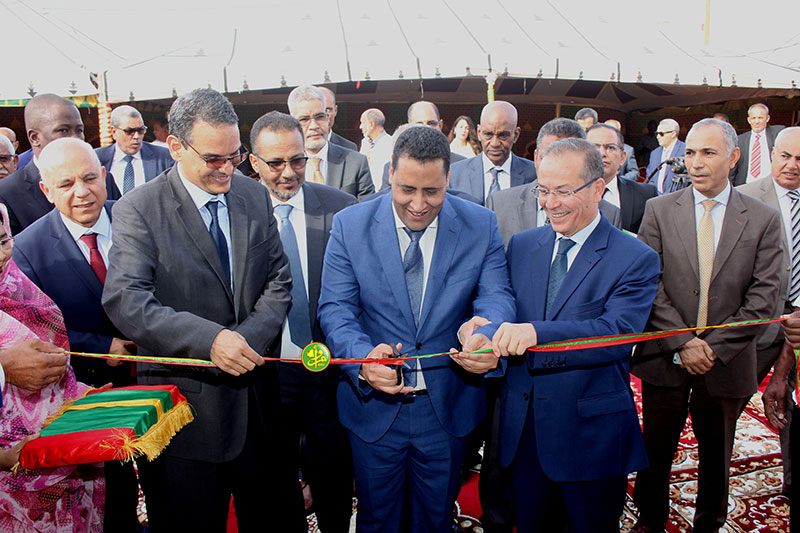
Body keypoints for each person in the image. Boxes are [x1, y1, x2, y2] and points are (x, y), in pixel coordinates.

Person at [101, 88, 300, 531]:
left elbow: (279, 280)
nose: (227, 168)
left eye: (236, 155)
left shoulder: (252, 195)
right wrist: (210, 341)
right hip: (184, 420)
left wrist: (243, 340)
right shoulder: (139, 208)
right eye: (214, 159)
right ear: (175, 147)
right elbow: (126, 300)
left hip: (259, 412)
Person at [318, 125, 515, 532]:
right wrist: (361, 359)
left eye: (433, 191)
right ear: (390, 172)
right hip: (373, 406)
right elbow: (335, 308)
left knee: (435, 519)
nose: (419, 204)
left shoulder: (481, 224)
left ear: (449, 179)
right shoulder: (350, 225)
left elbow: (496, 296)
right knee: (378, 519)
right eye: (407, 189)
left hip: (446, 406)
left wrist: (486, 333)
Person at [490, 137, 659, 532]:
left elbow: (615, 333)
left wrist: (535, 334)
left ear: (598, 188)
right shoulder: (523, 245)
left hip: (590, 436)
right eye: (543, 191)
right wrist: (483, 333)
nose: (550, 203)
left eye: (564, 191)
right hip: (525, 428)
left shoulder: (635, 257)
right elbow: (504, 310)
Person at [632, 118, 783, 533]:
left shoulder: (763, 219)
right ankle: (650, 516)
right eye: (691, 153)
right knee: (656, 447)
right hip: (665, 356)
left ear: (734, 158)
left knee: (717, 451)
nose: (696, 163)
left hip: (727, 361)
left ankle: (709, 522)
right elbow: (648, 283)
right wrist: (682, 342)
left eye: (708, 153)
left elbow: (764, 297)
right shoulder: (659, 209)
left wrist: (713, 348)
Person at [12, 138, 140, 531]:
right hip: (87, 393)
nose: (82, 192)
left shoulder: (139, 219)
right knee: (111, 503)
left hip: (160, 381)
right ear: (47, 191)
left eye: (89, 179)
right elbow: (32, 333)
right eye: (66, 184)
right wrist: (101, 348)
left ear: (104, 177)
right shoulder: (26, 249)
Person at [249, 111, 355, 532]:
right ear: (253, 162)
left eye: (298, 160)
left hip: (327, 369)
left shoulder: (341, 209)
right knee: (275, 475)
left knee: (333, 469)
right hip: (267, 372)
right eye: (276, 163)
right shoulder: (239, 214)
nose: (289, 172)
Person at [0, 203, 104, 531]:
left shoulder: (18, 288)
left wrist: (79, 401)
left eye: (2, 241)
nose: (0, 256)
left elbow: (53, 369)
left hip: (56, 471)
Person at [739, 126, 800, 496]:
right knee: (727, 408)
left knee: (791, 404)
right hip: (754, 326)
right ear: (772, 154)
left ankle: (791, 484)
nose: (792, 166)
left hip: (799, 326)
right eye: (785, 156)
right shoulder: (745, 197)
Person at [488, 118, 621, 246]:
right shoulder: (499, 205)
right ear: (535, 156)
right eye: (547, 157)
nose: (554, 167)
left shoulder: (609, 213)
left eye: (566, 160)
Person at [0, 94, 97, 235]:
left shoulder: (103, 180)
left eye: (79, 130)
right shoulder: (7, 194)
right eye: (63, 130)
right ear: (35, 137)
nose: (75, 138)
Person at [287, 86, 373, 200]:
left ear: (328, 118)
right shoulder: (283, 166)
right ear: (292, 123)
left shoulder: (356, 162)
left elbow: (367, 211)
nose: (314, 126)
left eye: (320, 117)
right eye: (304, 120)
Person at [449, 101, 537, 205]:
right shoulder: (455, 174)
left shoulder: (534, 175)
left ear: (516, 135)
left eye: (503, 135)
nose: (495, 143)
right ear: (479, 132)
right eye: (488, 134)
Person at [378, 101, 466, 191]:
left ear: (440, 125)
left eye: (431, 123)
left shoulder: (462, 166)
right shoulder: (393, 166)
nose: (425, 128)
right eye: (419, 124)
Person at [586, 123, 657, 233]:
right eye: (594, 147)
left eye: (610, 147)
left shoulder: (645, 195)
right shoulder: (562, 193)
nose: (602, 153)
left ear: (623, 157)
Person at [95, 105, 173, 198]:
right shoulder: (97, 159)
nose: (136, 136)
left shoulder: (164, 157)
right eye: (129, 131)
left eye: (141, 130)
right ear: (114, 132)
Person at [730, 103, 785, 185]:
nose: (756, 122)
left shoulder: (777, 134)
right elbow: (733, 166)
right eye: (753, 118)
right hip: (746, 186)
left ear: (767, 118)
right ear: (749, 120)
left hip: (770, 186)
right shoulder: (740, 140)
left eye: (760, 118)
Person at [646, 118, 686, 194]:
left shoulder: (685, 150)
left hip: (676, 198)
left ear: (673, 134)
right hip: (655, 199)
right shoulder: (655, 153)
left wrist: (665, 197)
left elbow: (683, 181)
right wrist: (655, 195)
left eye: (661, 134)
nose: (658, 137)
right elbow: (650, 176)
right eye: (656, 133)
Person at [359, 108, 392, 192]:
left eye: (362, 123)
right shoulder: (365, 143)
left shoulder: (390, 144)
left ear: (371, 124)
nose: (360, 127)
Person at [318, 86, 358, 151]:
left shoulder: (349, 148)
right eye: (319, 111)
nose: (324, 115)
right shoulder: (297, 144)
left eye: (328, 110)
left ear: (335, 110)